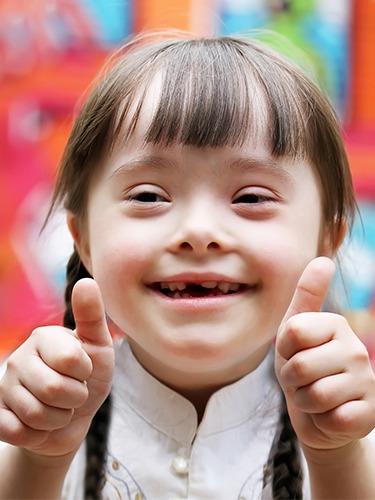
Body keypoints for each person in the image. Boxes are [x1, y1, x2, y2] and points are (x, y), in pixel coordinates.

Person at [0, 31, 374, 500]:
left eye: (252, 197)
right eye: (149, 196)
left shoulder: (358, 426)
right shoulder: (24, 407)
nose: (198, 231)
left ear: (327, 239)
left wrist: (338, 457)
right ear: (84, 239)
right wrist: (39, 460)